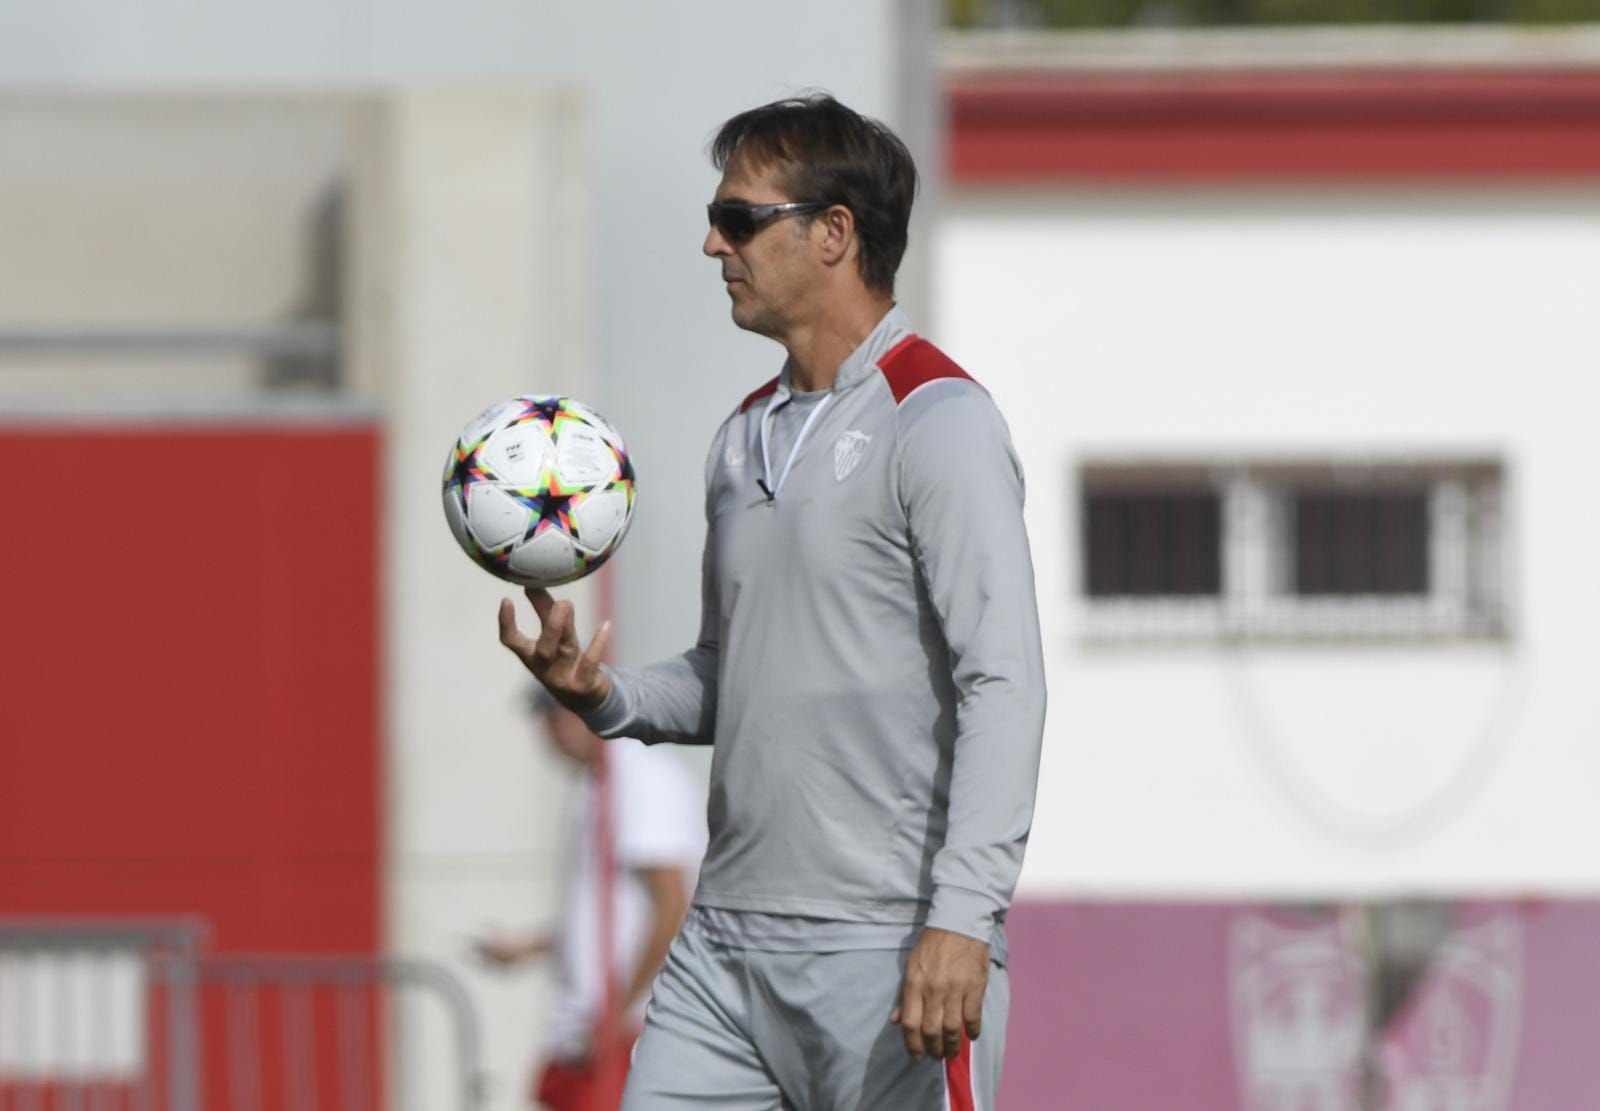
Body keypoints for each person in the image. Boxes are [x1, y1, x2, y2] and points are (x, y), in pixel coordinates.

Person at [497, 92, 1046, 1110]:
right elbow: (731, 673)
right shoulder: (739, 437)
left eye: (740, 217)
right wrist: (603, 692)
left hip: (888, 945)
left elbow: (1004, 681)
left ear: (834, 233)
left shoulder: (941, 419)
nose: (713, 243)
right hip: (724, 951)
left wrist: (962, 917)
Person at [475, 689, 704, 1111]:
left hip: (629, 1030)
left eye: (556, 716)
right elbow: (604, 913)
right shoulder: (595, 783)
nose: (549, 733)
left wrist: (616, 1015)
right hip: (589, 1028)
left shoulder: (641, 778)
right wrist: (530, 946)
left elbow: (672, 905)